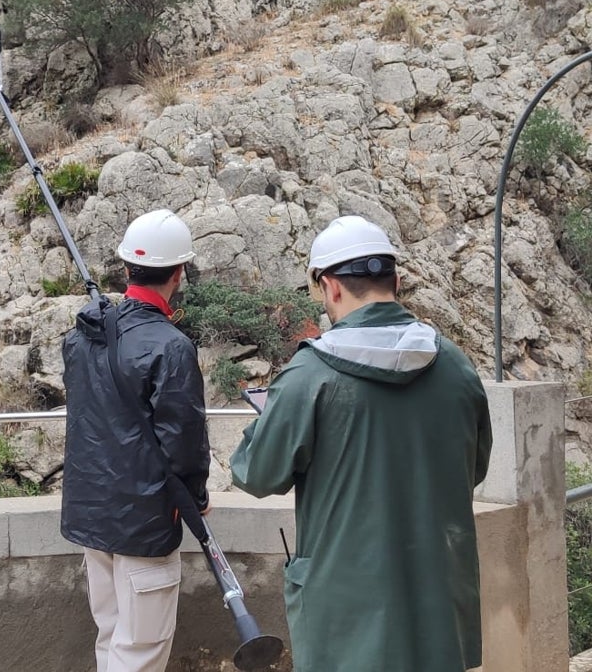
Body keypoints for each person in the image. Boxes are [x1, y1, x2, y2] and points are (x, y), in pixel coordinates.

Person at [230, 215, 493, 672]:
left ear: (330, 287)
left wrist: (270, 418)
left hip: (346, 615)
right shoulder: (455, 364)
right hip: (438, 601)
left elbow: (256, 473)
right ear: (396, 279)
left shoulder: (309, 375)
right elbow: (474, 469)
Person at [61, 208, 212, 672]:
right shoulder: (171, 346)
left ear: (126, 268)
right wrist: (196, 498)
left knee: (111, 638)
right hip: (144, 524)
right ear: (179, 272)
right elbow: (183, 440)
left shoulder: (81, 337)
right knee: (140, 650)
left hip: (93, 516)